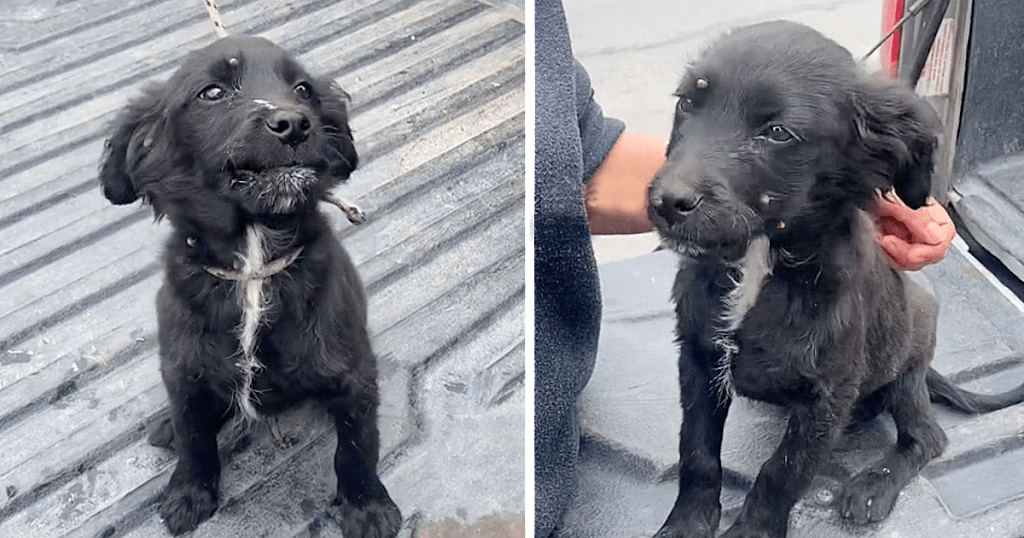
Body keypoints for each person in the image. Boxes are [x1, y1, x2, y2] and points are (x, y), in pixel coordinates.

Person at [532, 1, 956, 535]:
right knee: (703, 356)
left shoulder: (841, 286)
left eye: (777, 133)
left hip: (873, 369)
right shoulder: (710, 254)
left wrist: (764, 515)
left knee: (912, 322)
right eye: (692, 102)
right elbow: (699, 362)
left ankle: (907, 448)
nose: (676, 183)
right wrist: (696, 496)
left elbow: (824, 401)